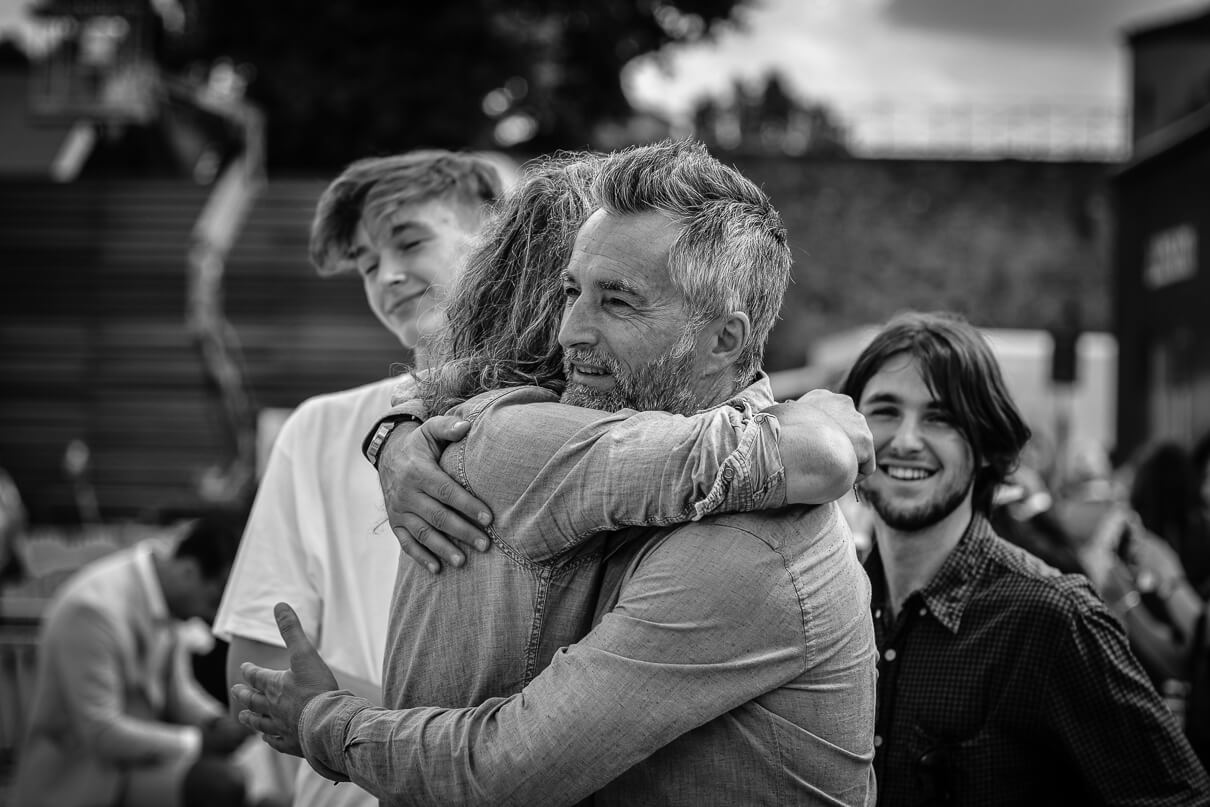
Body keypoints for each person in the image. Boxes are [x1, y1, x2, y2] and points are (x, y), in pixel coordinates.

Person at [234, 140, 878, 805]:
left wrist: (326, 723)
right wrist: (396, 432)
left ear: (724, 340)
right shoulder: (535, 431)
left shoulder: (749, 544)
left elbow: (505, 768)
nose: (571, 329)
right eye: (569, 291)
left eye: (618, 301)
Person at [211, 150, 502, 807]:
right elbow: (255, 674)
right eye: (368, 262)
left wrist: (347, 714)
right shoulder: (319, 432)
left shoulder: (573, 424)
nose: (388, 275)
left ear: (498, 236)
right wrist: (478, 740)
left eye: (410, 241)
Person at [839, 310, 1208, 806]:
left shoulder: (1054, 620)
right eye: (885, 411)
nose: (906, 441)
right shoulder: (833, 609)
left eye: (940, 417)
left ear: (989, 447)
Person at [13, 512, 255, 807]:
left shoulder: (163, 597)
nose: (212, 615)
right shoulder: (92, 610)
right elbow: (102, 732)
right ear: (189, 571)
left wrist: (216, 721)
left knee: (249, 779)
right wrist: (198, 742)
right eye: (215, 599)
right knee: (219, 785)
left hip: (136, 765)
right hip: (83, 777)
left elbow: (177, 691)